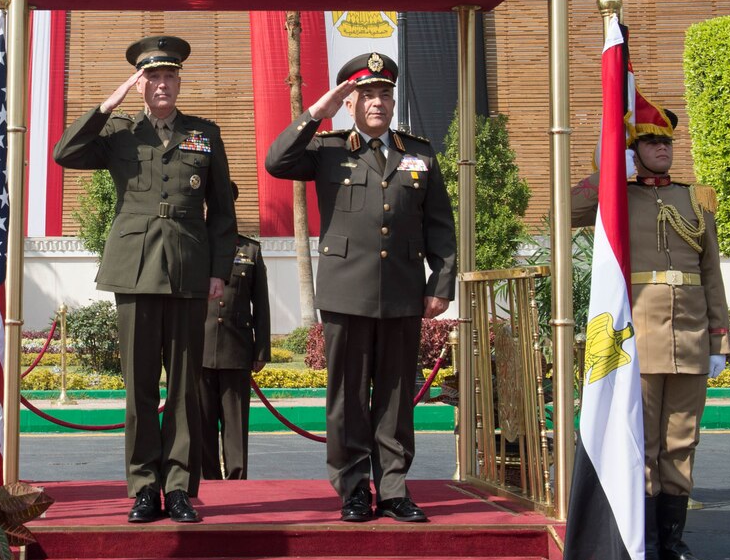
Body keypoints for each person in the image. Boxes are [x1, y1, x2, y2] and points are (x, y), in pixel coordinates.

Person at [265, 52, 456, 523]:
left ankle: (393, 488)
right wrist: (316, 112)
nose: (378, 103)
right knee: (348, 396)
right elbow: (276, 161)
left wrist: (441, 283)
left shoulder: (420, 152)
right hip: (346, 290)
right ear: (351, 103)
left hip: (403, 290)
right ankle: (353, 487)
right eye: (367, 95)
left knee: (394, 396)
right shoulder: (328, 148)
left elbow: (440, 226)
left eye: (384, 94)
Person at [54, 35, 237, 524]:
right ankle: (142, 485)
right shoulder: (118, 132)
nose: (162, 84)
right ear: (140, 86)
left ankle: (178, 487)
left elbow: (222, 211)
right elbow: (65, 152)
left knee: (183, 385)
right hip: (134, 267)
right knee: (139, 387)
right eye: (152, 77)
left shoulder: (204, 133)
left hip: (188, 267)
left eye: (169, 76)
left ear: (179, 81)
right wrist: (104, 104)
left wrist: (219, 270)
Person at [571, 98, 726, 560]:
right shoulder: (619, 196)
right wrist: (607, 165)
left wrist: (718, 338)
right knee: (643, 446)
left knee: (682, 440)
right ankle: (648, 546)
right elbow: (570, 209)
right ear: (634, 151)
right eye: (652, 143)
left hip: (691, 334)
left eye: (666, 142)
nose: (663, 149)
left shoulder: (695, 198)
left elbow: (711, 272)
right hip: (638, 334)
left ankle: (675, 544)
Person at [201, 182, 271, 480]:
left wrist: (261, 349)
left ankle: (237, 481)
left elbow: (262, 304)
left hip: (236, 347)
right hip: (198, 348)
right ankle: (208, 482)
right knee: (202, 424)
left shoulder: (249, 250)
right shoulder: (193, 246)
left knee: (235, 423)